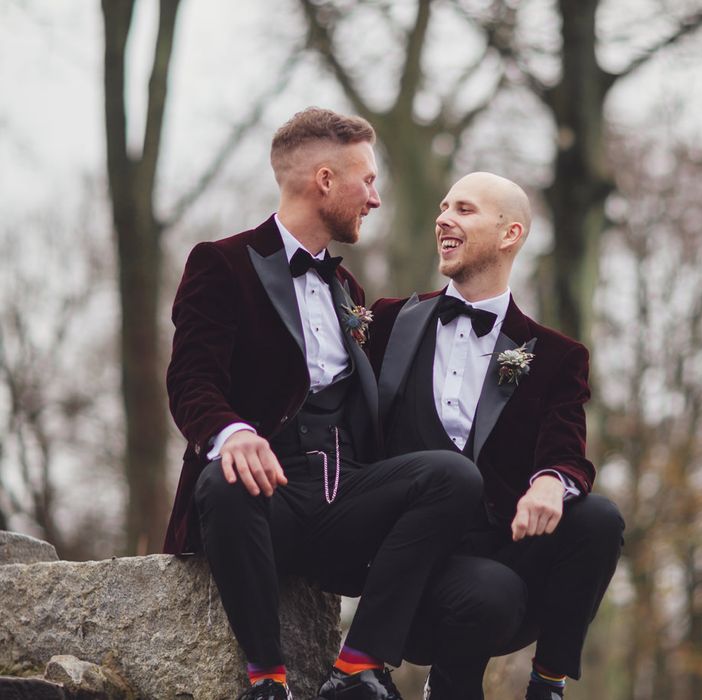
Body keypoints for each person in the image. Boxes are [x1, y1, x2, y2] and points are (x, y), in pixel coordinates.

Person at [163, 108, 486, 700]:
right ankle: (267, 679)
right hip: (264, 501)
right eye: (367, 180)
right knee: (223, 481)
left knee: (451, 478)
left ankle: (358, 667)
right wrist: (231, 433)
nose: (376, 198)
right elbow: (190, 378)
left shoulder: (349, 292)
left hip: (345, 501)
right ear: (325, 180)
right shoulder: (222, 263)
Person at [368, 172, 625, 700]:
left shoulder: (556, 356)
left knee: (600, 518)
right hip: (409, 566)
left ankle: (548, 683)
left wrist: (552, 481)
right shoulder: (389, 322)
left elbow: (567, 452)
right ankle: (446, 685)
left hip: (507, 555)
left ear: (509, 234)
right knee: (491, 591)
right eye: (442, 207)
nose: (443, 218)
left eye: (463, 209)